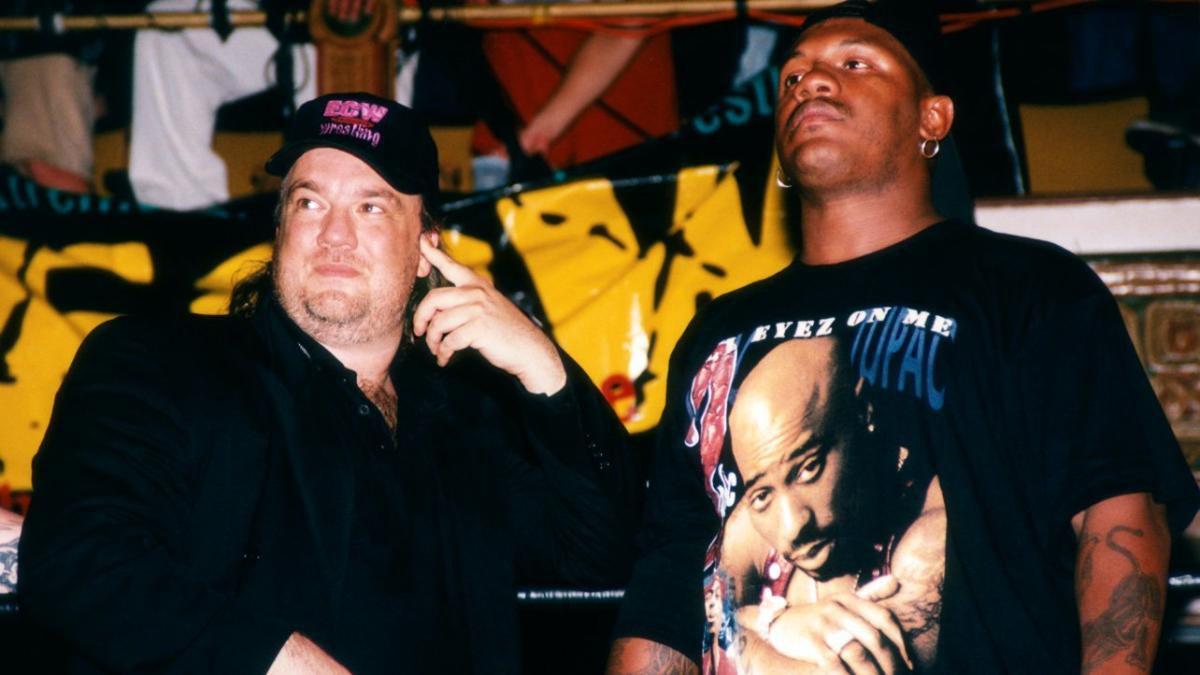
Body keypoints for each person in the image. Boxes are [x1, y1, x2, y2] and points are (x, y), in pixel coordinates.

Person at [607, 2, 1200, 674]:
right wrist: (761, 626)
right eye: (793, 77)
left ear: (932, 118)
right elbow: (671, 580)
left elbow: (1117, 513)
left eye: (855, 63)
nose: (811, 82)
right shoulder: (718, 332)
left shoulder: (1030, 286)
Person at [19, 91, 637, 674]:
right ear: (280, 229)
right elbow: (81, 559)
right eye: (309, 203)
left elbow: (603, 566)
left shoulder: (468, 417)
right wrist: (285, 661)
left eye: (371, 207)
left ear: (426, 248)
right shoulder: (162, 362)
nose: (334, 235)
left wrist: (547, 372)